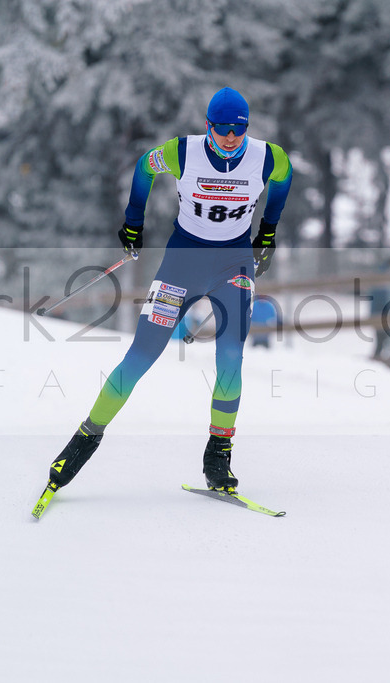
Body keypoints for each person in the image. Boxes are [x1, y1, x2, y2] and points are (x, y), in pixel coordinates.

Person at [43, 87, 292, 496]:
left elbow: (283, 179)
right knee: (142, 354)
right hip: (182, 263)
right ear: (208, 126)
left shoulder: (267, 156)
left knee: (231, 359)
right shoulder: (182, 152)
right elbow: (144, 168)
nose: (231, 137)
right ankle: (82, 441)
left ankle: (218, 456)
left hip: (234, 265)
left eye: (239, 130)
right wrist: (132, 223)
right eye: (223, 129)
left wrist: (268, 230)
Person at [369, 257, 390, 360]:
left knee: (382, 340)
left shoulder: (385, 276)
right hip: (382, 313)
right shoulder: (385, 278)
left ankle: (378, 360)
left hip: (379, 313)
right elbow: (382, 298)